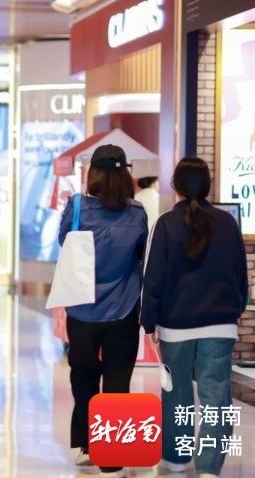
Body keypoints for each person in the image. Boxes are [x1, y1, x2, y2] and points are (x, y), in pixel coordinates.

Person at [142, 157, 247, 478]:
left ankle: (176, 458)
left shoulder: (165, 224)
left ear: (175, 186)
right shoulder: (227, 223)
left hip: (175, 326)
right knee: (217, 395)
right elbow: (240, 274)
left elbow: (153, 277)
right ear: (208, 186)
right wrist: (236, 310)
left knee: (177, 393)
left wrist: (149, 321)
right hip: (220, 324)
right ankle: (209, 467)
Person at [58, 145, 148, 474]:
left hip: (82, 309)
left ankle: (87, 445)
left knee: (83, 376)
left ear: (92, 174)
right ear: (126, 175)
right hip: (123, 308)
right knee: (117, 378)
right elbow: (141, 254)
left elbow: (63, 243)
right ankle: (111, 457)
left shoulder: (77, 207)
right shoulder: (137, 213)